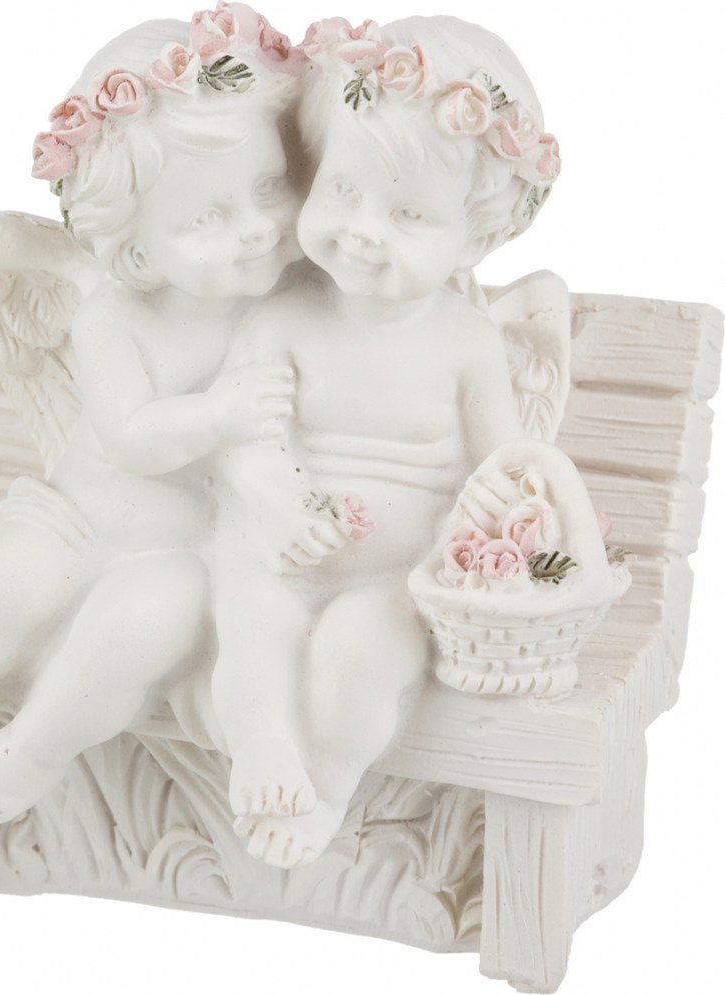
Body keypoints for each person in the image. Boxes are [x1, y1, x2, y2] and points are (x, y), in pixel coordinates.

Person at [0, 8, 304, 825]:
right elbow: (131, 436)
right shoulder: (115, 314)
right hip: (76, 519)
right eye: (206, 218)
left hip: (188, 554)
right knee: (10, 581)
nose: (256, 229)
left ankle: (31, 752)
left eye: (268, 188)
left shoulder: (299, 312)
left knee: (146, 618)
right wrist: (219, 415)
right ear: (136, 247)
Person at [214, 14, 562, 867]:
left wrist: (498, 526)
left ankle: (328, 784)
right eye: (342, 190)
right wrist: (278, 502)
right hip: (277, 552)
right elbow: (243, 437)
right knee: (252, 620)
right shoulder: (282, 317)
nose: (364, 229)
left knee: (360, 647)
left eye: (408, 212)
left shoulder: (466, 342)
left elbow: (505, 465)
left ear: (476, 238)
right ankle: (262, 747)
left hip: (396, 575)